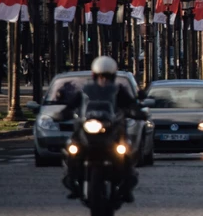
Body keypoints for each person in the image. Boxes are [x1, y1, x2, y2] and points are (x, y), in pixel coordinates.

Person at [59, 56, 144, 202]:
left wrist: (137, 112)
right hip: (89, 127)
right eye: (100, 76)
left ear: (113, 77)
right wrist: (63, 113)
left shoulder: (118, 91)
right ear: (94, 76)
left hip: (111, 129)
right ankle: (72, 178)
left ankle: (126, 183)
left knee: (126, 150)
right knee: (72, 148)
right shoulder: (86, 90)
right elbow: (73, 104)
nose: (103, 80)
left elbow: (130, 105)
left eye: (107, 77)